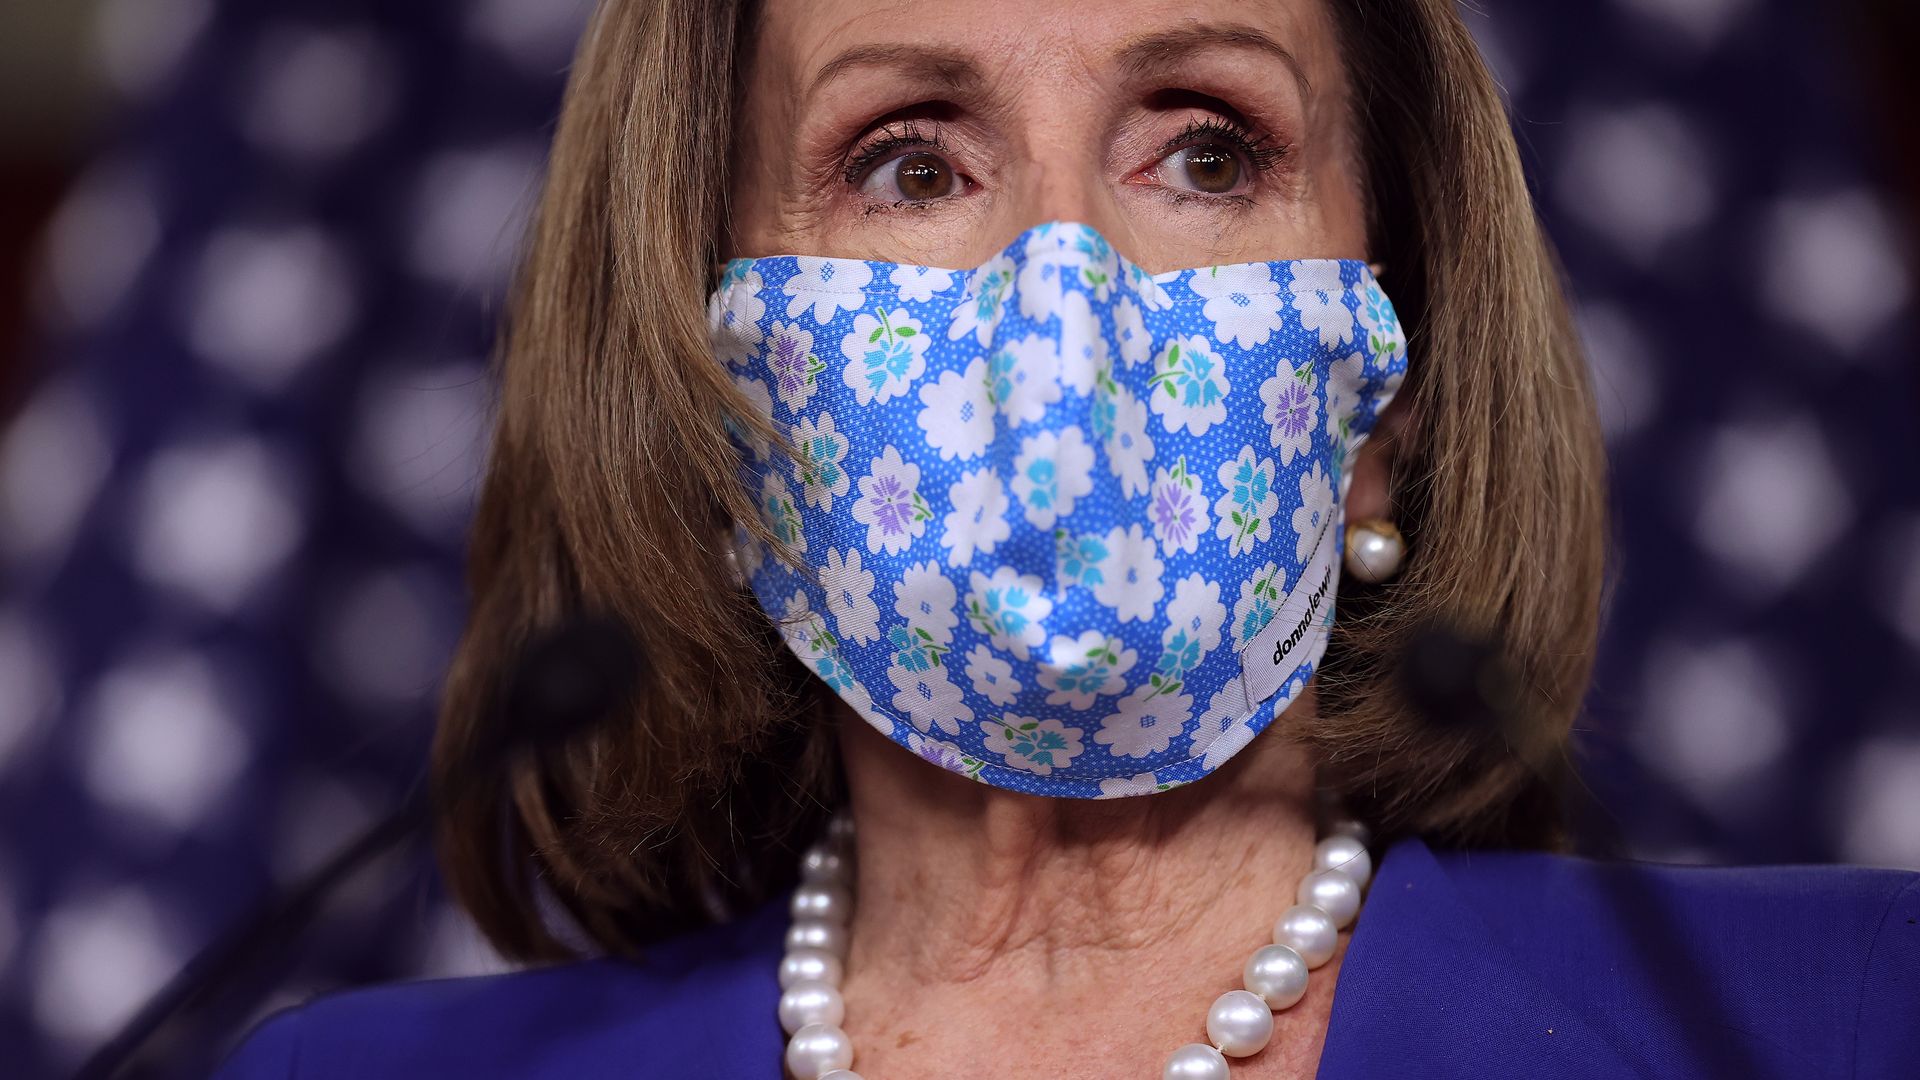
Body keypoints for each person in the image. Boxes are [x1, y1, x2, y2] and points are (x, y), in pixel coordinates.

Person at [215, 0, 1920, 1077]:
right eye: (906, 165)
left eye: (1203, 149)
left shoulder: (1840, 1016)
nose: (1063, 307)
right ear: (714, 381)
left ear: (1383, 408)